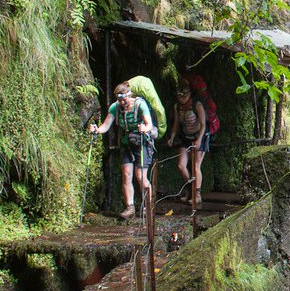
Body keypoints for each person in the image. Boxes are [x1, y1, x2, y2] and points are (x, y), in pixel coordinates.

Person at [89, 81, 157, 219]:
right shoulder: (115, 107)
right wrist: (97, 130)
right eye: (120, 100)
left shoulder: (140, 104)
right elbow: (106, 125)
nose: (123, 103)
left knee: (140, 176)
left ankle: (149, 206)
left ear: (129, 95)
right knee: (126, 174)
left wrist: (144, 128)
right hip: (127, 142)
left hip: (142, 141)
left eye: (125, 100)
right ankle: (129, 207)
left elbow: (149, 124)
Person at [166, 84, 208, 206]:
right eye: (179, 96)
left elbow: (203, 124)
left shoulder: (197, 105)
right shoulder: (177, 106)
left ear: (190, 94)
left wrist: (199, 140)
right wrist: (172, 137)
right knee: (181, 165)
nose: (182, 98)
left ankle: (197, 194)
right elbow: (176, 124)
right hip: (185, 137)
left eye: (184, 95)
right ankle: (191, 190)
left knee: (196, 166)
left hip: (199, 136)